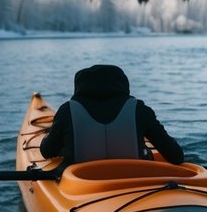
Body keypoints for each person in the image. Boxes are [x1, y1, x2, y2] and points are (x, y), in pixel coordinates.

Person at [40, 64, 184, 165]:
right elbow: (176, 156)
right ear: (123, 83)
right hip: (136, 179)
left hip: (81, 182)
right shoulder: (139, 109)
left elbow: (47, 151)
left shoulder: (67, 111)